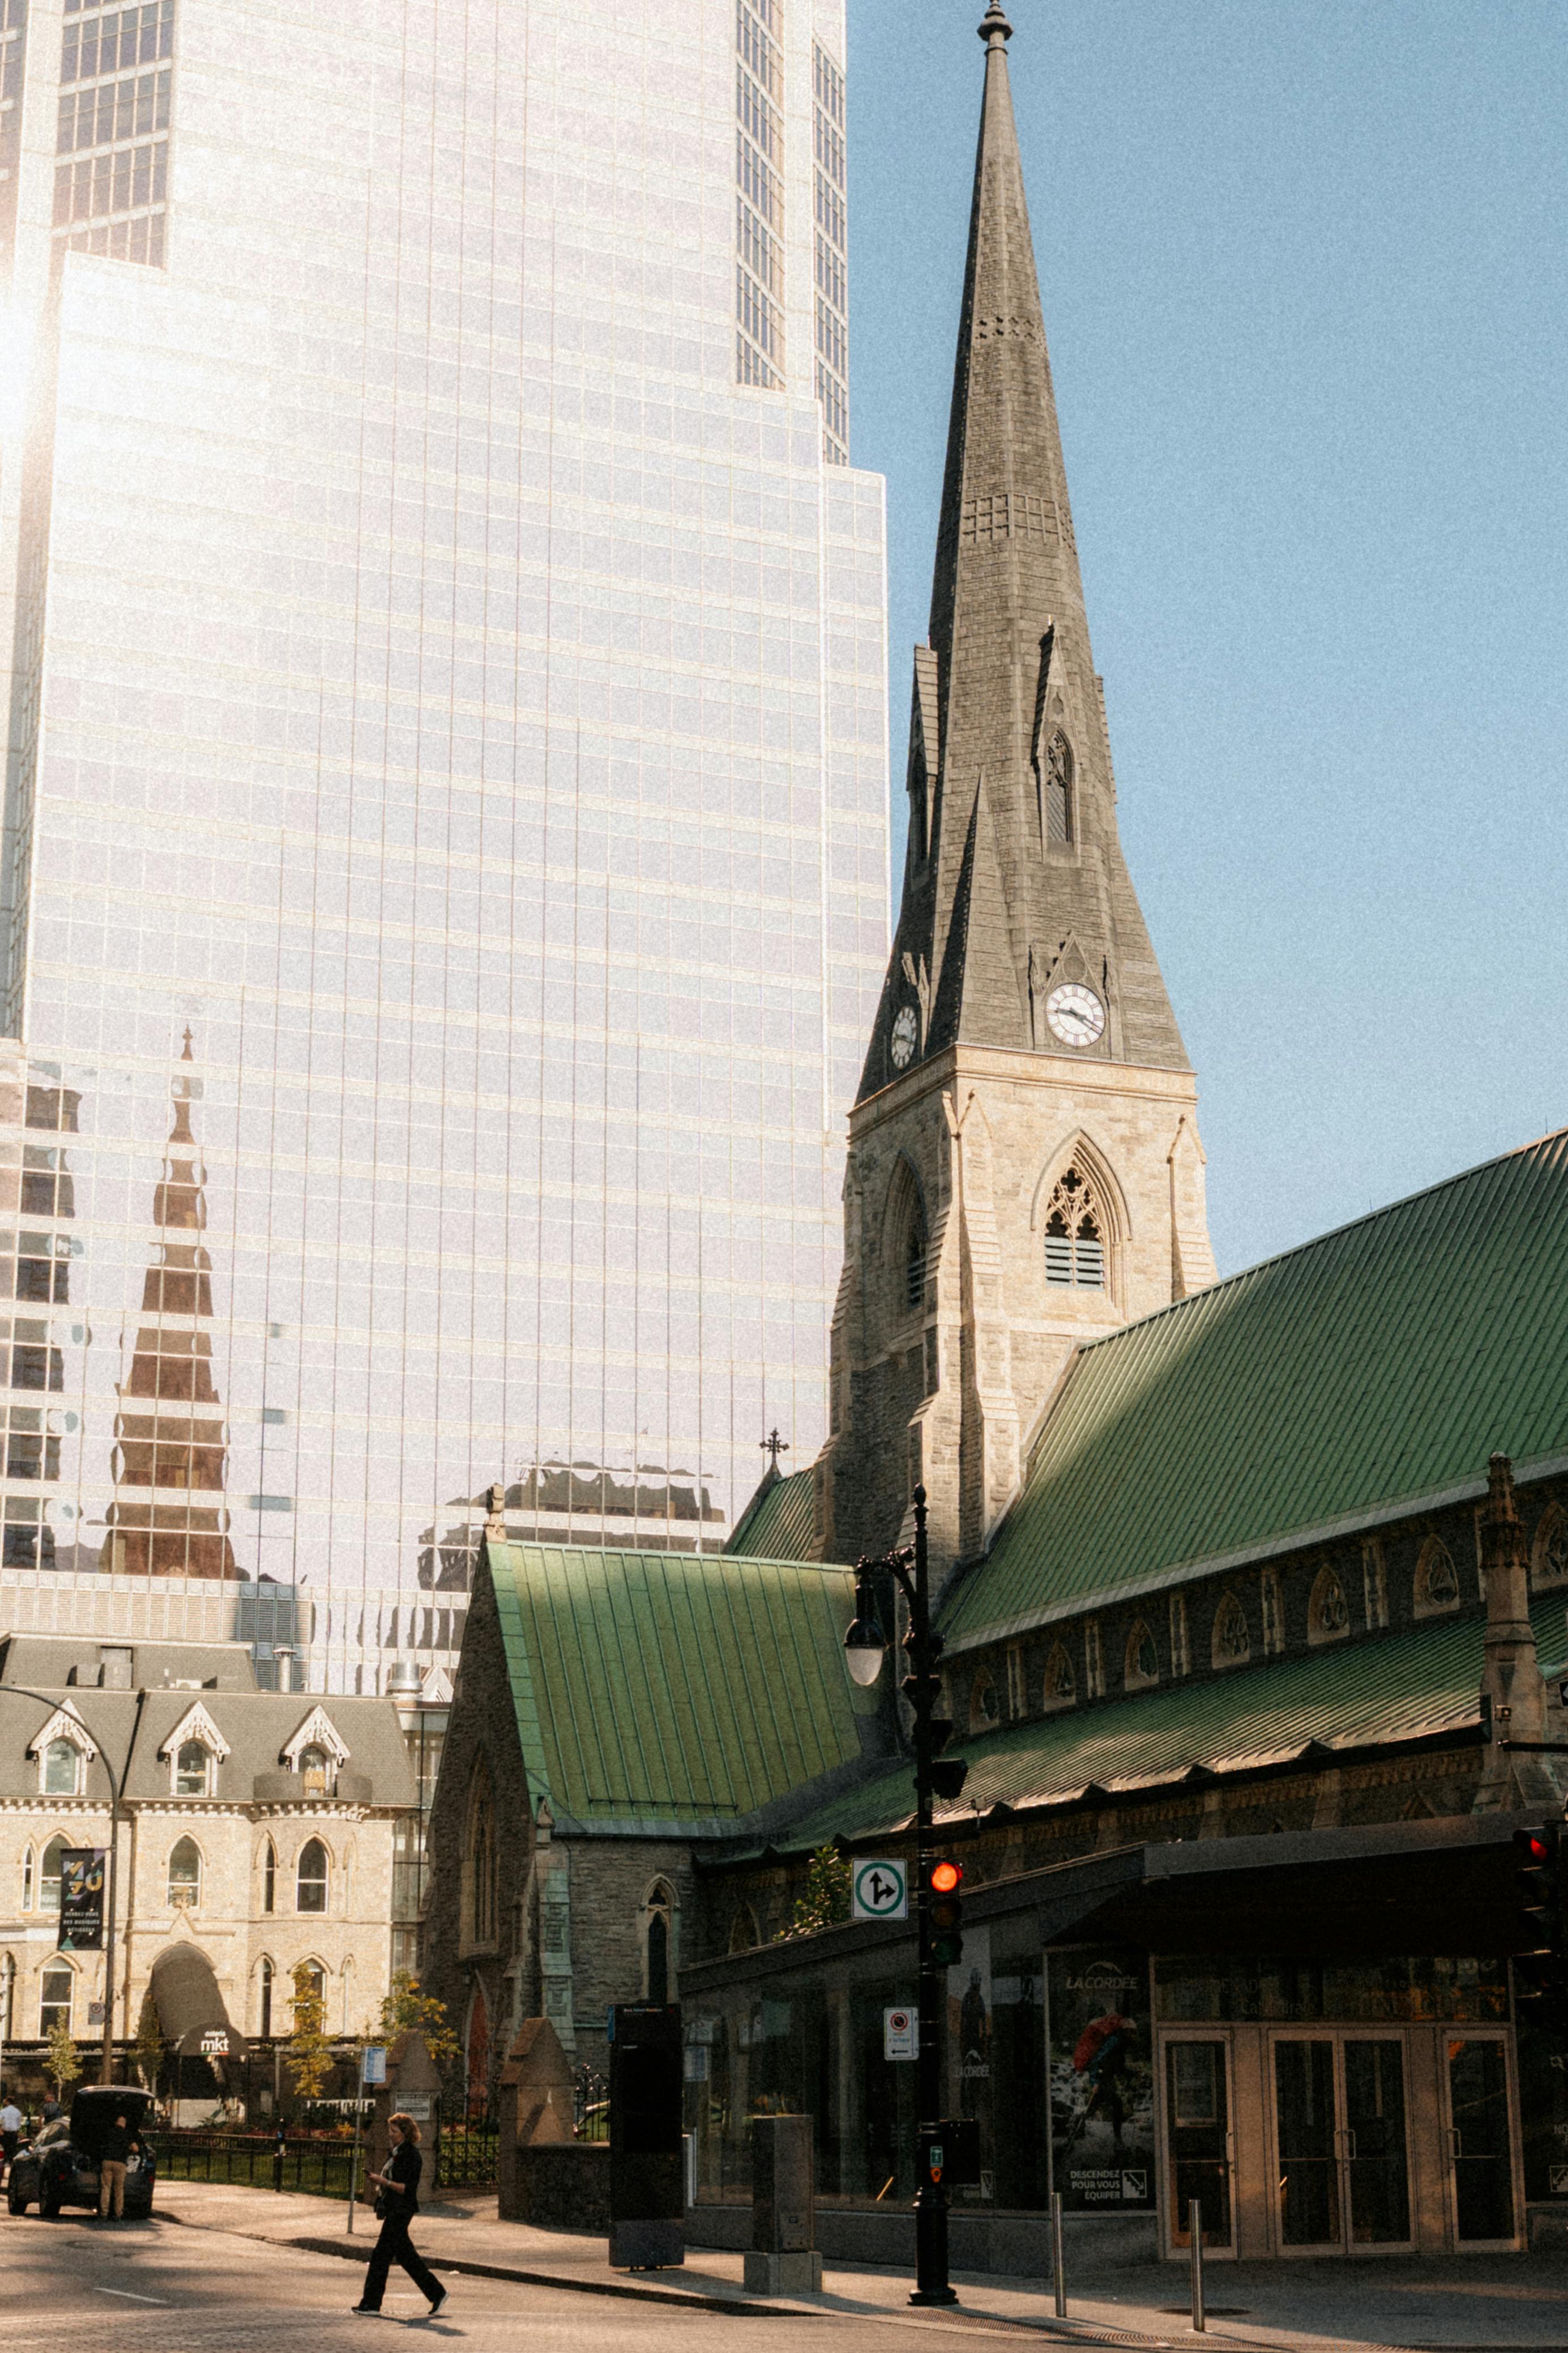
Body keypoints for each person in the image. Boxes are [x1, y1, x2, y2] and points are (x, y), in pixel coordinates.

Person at [352, 2113, 447, 2320]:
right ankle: (437, 2292)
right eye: (390, 2130)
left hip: (402, 2210)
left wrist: (381, 2181)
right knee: (406, 2256)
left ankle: (371, 2303)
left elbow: (406, 2188)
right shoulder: (397, 2153)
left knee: (380, 2256)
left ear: (405, 2133)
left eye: (394, 2131)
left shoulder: (411, 2156)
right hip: (395, 2209)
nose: (390, 2135)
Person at [97, 2109, 143, 2221]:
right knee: (119, 2189)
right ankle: (118, 2214)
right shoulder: (127, 2134)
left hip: (107, 2162)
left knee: (106, 2188)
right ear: (124, 2123)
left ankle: (104, 2213)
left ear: (115, 2122)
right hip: (120, 2163)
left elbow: (99, 2145)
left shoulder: (108, 2132)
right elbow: (136, 2149)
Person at [0, 2092, 21, 2186]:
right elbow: (18, 2124)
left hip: (5, 2134)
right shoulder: (18, 2112)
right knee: (12, 2151)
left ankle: (3, 2169)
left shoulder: (3, 2111)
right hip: (14, 2134)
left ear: (8, 2102)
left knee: (3, 2152)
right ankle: (12, 2169)